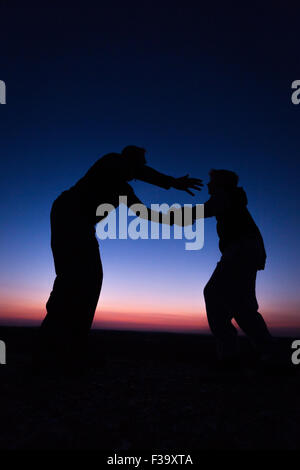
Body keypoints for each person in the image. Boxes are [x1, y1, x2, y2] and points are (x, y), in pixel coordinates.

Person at [34, 145, 202, 372]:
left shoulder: (123, 190)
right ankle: (56, 351)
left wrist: (175, 220)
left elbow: (144, 213)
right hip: (69, 214)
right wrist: (172, 182)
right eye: (139, 163)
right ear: (129, 159)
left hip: (81, 224)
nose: (140, 168)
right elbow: (141, 172)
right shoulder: (111, 160)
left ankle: (65, 348)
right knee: (75, 279)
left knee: (84, 280)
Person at [193, 169, 273, 363]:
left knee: (215, 294)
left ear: (221, 184)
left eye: (211, 181)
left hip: (239, 252)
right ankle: (267, 353)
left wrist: (159, 217)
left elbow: (199, 212)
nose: (208, 185)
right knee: (239, 305)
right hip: (244, 252)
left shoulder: (224, 197)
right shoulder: (233, 199)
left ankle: (231, 353)